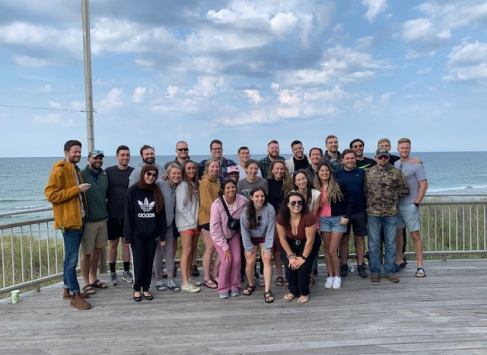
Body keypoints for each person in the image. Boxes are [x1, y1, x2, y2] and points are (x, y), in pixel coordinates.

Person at [45, 140, 91, 310]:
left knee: (70, 258)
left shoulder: (76, 170)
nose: (78, 155)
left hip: (79, 220)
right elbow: (51, 194)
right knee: (71, 260)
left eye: (80, 152)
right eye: (75, 152)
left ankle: (66, 289)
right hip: (69, 223)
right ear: (66, 153)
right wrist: (76, 189)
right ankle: (74, 294)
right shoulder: (59, 170)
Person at [364, 148, 409, 283]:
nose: (383, 159)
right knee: (373, 244)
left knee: (391, 244)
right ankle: (375, 272)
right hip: (373, 213)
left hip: (391, 213)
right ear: (376, 158)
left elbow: (405, 189)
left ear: (388, 157)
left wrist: (393, 196)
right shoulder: (369, 172)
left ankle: (389, 271)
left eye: (385, 157)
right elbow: (364, 191)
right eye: (380, 157)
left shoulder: (396, 172)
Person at [124, 165, 167, 302]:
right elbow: (128, 215)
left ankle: (146, 288)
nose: (151, 177)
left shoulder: (156, 191)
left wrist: (162, 234)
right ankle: (137, 289)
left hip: (152, 234)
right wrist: (128, 236)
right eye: (148, 174)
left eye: (154, 175)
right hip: (137, 235)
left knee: (149, 263)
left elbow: (161, 215)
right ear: (143, 174)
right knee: (139, 262)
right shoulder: (132, 191)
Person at [276, 192, 320, 303]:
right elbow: (282, 239)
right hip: (289, 244)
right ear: (287, 204)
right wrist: (291, 256)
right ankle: (293, 291)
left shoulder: (309, 216)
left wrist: (303, 258)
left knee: (303, 267)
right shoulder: (281, 217)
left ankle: (304, 292)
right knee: (290, 265)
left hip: (308, 244)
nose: (297, 205)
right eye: (293, 202)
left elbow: (310, 240)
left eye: (299, 202)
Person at [315, 161, 353, 290]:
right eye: (322, 171)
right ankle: (330, 276)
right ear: (318, 173)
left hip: (338, 220)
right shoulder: (315, 187)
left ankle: (338, 276)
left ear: (330, 172)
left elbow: (349, 201)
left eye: (326, 170)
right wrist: (317, 225)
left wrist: (347, 217)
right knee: (326, 249)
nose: (324, 173)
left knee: (332, 250)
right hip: (323, 220)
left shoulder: (338, 184)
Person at [394, 138, 428, 278]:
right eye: (402, 148)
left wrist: (416, 203)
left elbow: (424, 185)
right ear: (398, 149)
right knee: (398, 234)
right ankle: (398, 259)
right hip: (397, 205)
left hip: (410, 205)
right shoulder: (396, 164)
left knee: (415, 235)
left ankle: (420, 266)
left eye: (407, 148)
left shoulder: (417, 165)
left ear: (410, 149)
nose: (404, 150)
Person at [210, 179, 248, 299]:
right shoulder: (216, 205)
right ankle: (222, 287)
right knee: (227, 261)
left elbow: (250, 211)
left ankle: (234, 285)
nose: (231, 190)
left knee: (236, 260)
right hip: (219, 236)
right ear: (223, 190)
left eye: (233, 187)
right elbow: (214, 229)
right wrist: (225, 247)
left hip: (233, 234)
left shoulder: (242, 200)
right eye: (227, 188)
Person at [335, 149, 368, 279]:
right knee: (344, 239)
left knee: (360, 239)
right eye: (347, 158)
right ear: (342, 160)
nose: (350, 161)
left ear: (355, 159)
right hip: (343, 213)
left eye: (352, 158)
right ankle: (344, 264)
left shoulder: (361, 173)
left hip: (360, 210)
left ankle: (360, 265)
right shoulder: (336, 174)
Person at [80, 150, 109, 294]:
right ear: (88, 159)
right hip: (89, 221)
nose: (98, 160)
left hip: (103, 219)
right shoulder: (81, 174)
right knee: (86, 252)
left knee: (98, 250)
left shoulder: (104, 176)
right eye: (95, 158)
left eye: (100, 158)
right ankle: (85, 283)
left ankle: (93, 278)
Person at [240, 187, 276, 303]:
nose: (260, 199)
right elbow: (244, 231)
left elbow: (271, 229)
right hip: (251, 237)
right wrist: (248, 248)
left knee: (267, 259)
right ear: (251, 197)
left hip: (264, 236)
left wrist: (268, 247)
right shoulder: (245, 211)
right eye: (257, 196)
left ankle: (267, 290)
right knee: (250, 260)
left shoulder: (269, 209)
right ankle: (250, 284)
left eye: (262, 196)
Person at [105, 145, 134, 286]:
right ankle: (112, 272)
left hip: (128, 215)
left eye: (127, 155)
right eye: (122, 155)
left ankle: (126, 271)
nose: (125, 157)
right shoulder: (109, 171)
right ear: (117, 156)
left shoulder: (134, 172)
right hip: (112, 215)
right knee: (113, 244)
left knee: (126, 244)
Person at [154, 163, 181, 292]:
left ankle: (170, 279)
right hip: (158, 226)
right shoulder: (159, 184)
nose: (176, 176)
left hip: (170, 225)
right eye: (174, 173)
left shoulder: (177, 187)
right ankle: (158, 278)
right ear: (168, 173)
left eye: (178, 173)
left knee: (170, 252)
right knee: (159, 253)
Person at [266, 160, 293, 287]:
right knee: (276, 248)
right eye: (277, 169)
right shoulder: (267, 183)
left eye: (282, 169)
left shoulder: (289, 183)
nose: (279, 171)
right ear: (272, 170)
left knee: (288, 247)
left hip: (287, 219)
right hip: (272, 220)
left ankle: (289, 274)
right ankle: (280, 275)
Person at [175, 160, 201, 293]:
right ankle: (184, 282)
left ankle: (189, 277)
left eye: (193, 168)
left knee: (192, 251)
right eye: (188, 168)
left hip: (195, 223)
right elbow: (181, 207)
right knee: (186, 251)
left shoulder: (196, 184)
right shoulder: (182, 185)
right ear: (184, 170)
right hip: (186, 224)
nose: (191, 170)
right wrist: (192, 221)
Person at [292, 169, 321, 286]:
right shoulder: (291, 194)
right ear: (295, 182)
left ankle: (310, 275)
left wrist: (309, 227)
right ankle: (295, 274)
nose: (301, 181)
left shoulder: (315, 194)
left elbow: (314, 214)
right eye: (298, 180)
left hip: (310, 225)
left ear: (307, 179)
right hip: (296, 226)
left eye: (303, 178)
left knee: (310, 247)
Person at [198, 158, 221, 289]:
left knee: (218, 248)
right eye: (212, 167)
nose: (214, 169)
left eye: (217, 167)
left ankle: (214, 274)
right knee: (210, 247)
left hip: (216, 219)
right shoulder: (205, 182)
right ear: (207, 168)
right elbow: (207, 205)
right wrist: (218, 219)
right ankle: (206, 277)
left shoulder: (216, 181)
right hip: (207, 219)